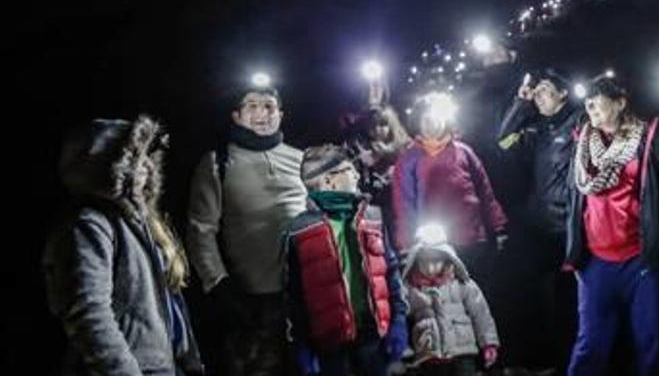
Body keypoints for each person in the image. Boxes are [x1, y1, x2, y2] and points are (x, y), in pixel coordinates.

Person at [45, 116, 204, 375]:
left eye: (144, 158)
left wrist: (188, 362)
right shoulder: (88, 225)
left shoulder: (141, 222)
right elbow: (89, 313)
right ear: (103, 165)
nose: (144, 166)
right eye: (132, 158)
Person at [564, 76, 659, 376]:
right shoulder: (581, 142)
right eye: (588, 100)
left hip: (640, 258)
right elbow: (573, 196)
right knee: (591, 342)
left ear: (621, 103)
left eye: (600, 97)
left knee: (651, 338)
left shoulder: (646, 138)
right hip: (595, 261)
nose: (591, 104)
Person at [188, 81, 308, 376]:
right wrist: (218, 283)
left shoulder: (302, 159)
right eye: (252, 105)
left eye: (269, 106)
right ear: (236, 115)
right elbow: (201, 229)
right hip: (251, 303)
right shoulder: (219, 163)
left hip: (304, 295)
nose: (262, 113)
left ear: (281, 113)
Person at [284, 145, 409, 376]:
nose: (357, 175)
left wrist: (399, 321)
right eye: (348, 170)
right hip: (329, 343)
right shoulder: (298, 232)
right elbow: (294, 295)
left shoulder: (373, 218)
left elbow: (391, 273)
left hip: (373, 334)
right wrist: (301, 344)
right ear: (328, 181)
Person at [495, 67, 583, 372]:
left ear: (563, 93)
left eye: (546, 90)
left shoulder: (578, 124)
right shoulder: (538, 130)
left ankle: (567, 362)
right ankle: (538, 359)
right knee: (535, 297)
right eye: (538, 91)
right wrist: (521, 104)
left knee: (567, 300)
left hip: (570, 228)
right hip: (540, 227)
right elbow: (504, 141)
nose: (539, 96)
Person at [391, 93, 509, 271]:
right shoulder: (409, 160)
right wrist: (406, 244)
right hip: (433, 244)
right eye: (426, 120)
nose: (433, 124)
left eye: (437, 119)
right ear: (418, 123)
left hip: (471, 238)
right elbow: (404, 206)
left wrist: (497, 226)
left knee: (475, 290)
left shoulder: (464, 151)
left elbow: (484, 191)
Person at [402, 226, 501, 376]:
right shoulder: (411, 290)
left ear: (447, 258)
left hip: (462, 354)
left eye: (436, 261)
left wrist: (488, 343)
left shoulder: (462, 284)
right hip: (430, 356)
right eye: (424, 261)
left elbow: (480, 314)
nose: (430, 267)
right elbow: (401, 314)